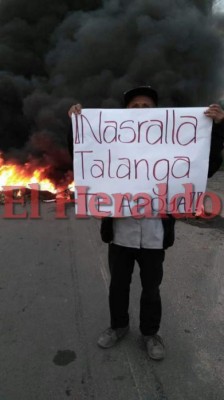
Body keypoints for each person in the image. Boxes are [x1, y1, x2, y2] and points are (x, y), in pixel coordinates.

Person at [68, 86, 224, 360]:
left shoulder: (174, 145)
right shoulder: (112, 143)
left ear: (157, 112)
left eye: (146, 105)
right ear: (126, 112)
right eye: (134, 105)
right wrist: (78, 126)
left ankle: (150, 334)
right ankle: (118, 327)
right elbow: (86, 158)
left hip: (154, 235)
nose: (140, 110)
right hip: (119, 234)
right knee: (118, 286)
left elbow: (206, 166)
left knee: (151, 288)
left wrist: (219, 129)